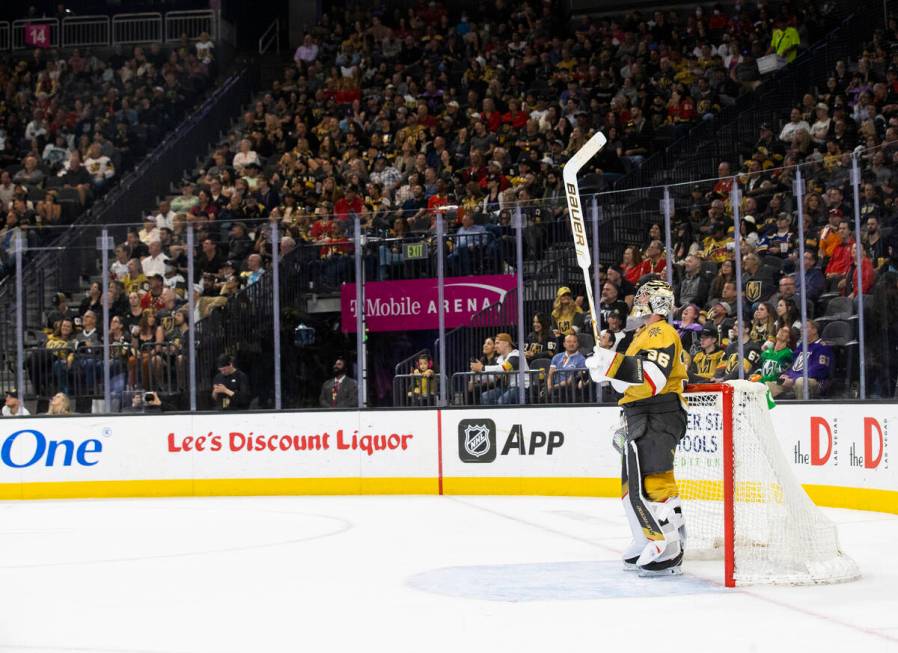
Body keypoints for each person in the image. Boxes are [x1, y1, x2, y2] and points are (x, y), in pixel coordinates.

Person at [586, 279, 688, 576]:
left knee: (655, 480)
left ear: (656, 301)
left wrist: (612, 364)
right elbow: (628, 382)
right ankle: (646, 537)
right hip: (639, 413)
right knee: (631, 487)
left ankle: (669, 546)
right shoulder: (643, 333)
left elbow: (653, 377)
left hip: (658, 413)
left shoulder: (660, 331)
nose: (636, 300)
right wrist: (605, 369)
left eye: (643, 295)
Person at [767, 320, 832, 398]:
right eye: (801, 328)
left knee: (801, 382)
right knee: (768, 386)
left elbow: (818, 370)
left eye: (805, 327)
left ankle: (802, 409)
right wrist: (786, 375)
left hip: (815, 382)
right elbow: (793, 365)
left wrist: (793, 379)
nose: (801, 330)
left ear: (814, 330)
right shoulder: (802, 346)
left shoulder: (822, 347)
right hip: (795, 380)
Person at [471, 332, 529, 405]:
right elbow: (493, 377)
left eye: (497, 343)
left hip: (521, 388)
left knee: (503, 400)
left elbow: (504, 368)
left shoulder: (516, 355)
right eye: (495, 344)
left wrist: (482, 368)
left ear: (506, 343)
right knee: (485, 396)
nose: (495, 346)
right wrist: (477, 374)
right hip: (507, 388)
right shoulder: (500, 359)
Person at [546, 334, 587, 403]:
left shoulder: (582, 359)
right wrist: (549, 387)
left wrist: (552, 387)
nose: (571, 344)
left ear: (577, 344)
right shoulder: (557, 357)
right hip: (554, 389)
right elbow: (550, 375)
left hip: (568, 390)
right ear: (564, 344)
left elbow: (569, 381)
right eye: (569, 342)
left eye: (574, 342)